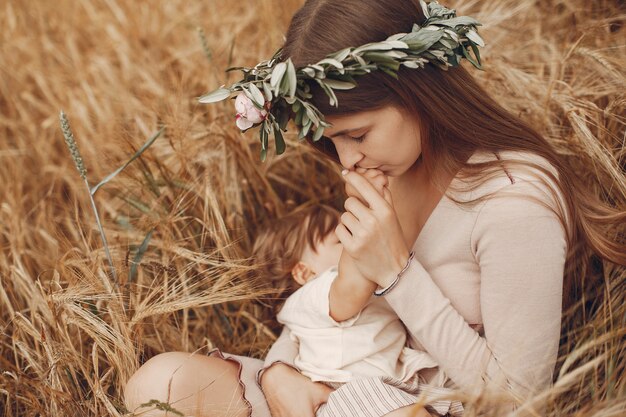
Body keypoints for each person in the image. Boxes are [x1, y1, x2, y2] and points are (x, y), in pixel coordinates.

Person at [124, 1, 626, 416]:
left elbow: (519, 399)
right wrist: (282, 377)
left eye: (357, 135)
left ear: (419, 93)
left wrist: (396, 271)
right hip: (325, 383)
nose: (347, 162)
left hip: (418, 403)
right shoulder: (389, 164)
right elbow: (333, 308)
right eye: (332, 142)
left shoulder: (514, 201)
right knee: (159, 385)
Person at [251, 202, 464, 417]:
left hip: (391, 389)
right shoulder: (312, 295)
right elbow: (350, 287)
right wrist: (374, 214)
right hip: (347, 395)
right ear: (305, 273)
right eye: (342, 240)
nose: (355, 240)